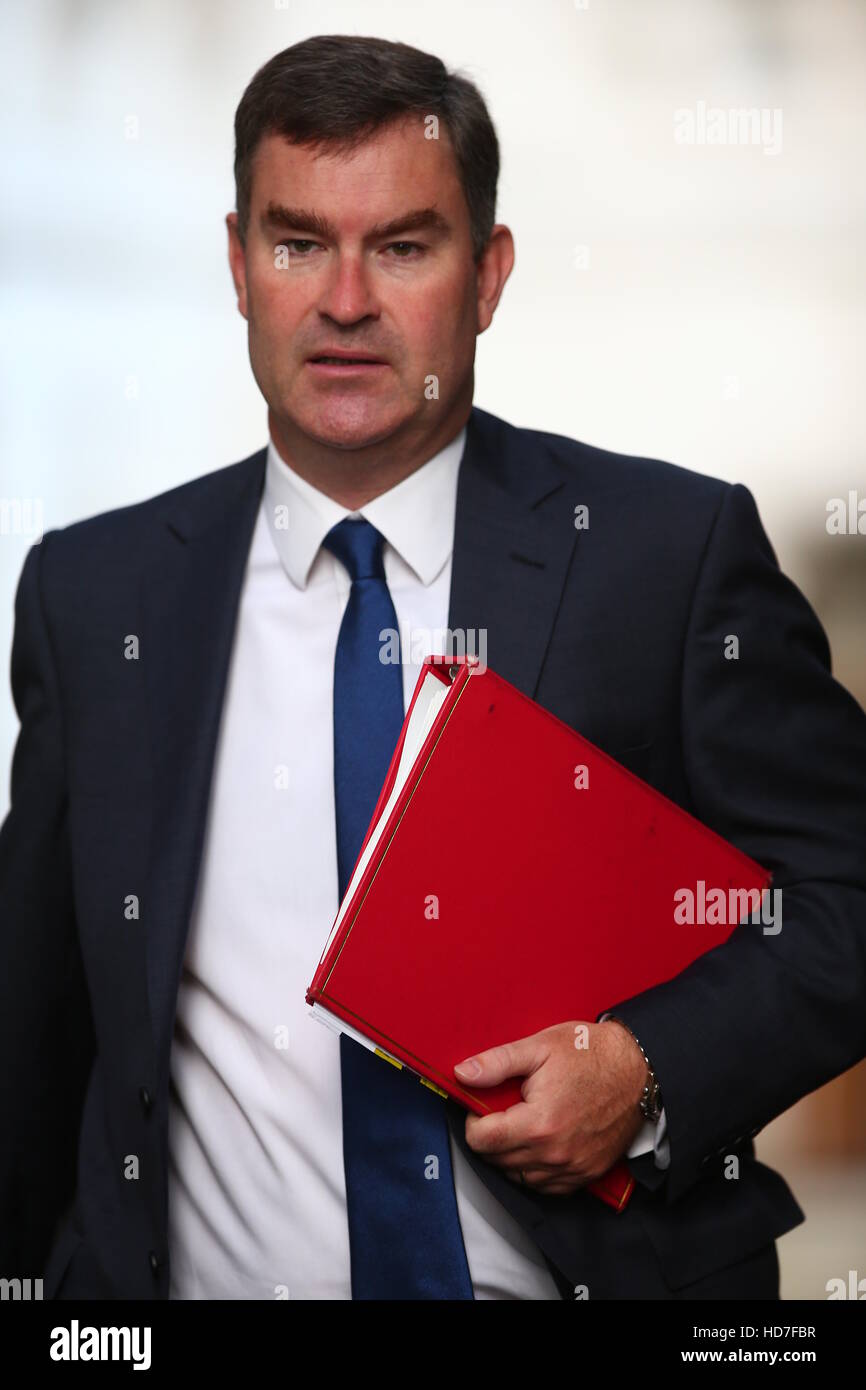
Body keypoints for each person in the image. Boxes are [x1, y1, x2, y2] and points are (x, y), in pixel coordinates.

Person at [1, 34, 864, 1301]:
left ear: (488, 274)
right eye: (299, 244)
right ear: (238, 265)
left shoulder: (662, 559)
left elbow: (844, 889)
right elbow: (37, 1022)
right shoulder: (95, 597)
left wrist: (646, 1071)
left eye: (403, 246)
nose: (345, 300)